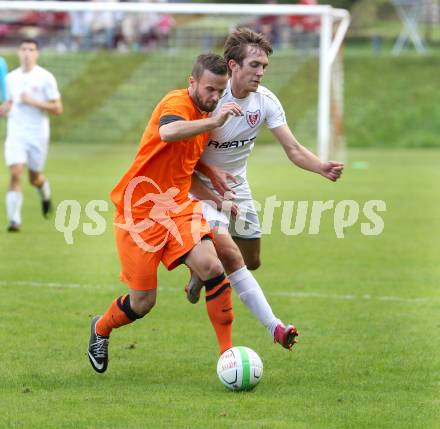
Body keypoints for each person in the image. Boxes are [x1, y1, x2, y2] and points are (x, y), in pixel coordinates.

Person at [186, 28, 344, 350]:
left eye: (264, 67)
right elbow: (182, 154)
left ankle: (200, 271)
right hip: (199, 186)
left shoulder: (265, 102)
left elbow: (294, 149)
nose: (260, 72)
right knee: (229, 256)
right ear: (233, 65)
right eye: (254, 65)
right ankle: (275, 328)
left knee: (252, 260)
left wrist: (321, 166)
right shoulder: (212, 98)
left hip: (238, 186)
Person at [87, 53, 243, 374]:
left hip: (176, 209)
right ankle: (101, 328)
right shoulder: (176, 103)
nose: (214, 97)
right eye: (209, 89)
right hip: (138, 213)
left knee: (214, 265)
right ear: (192, 82)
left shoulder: (204, 120)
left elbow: (185, 170)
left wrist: (215, 193)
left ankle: (227, 354)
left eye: (220, 91)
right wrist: (214, 122)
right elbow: (169, 133)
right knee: (143, 303)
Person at [0, 39, 63, 232]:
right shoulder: (10, 78)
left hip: (37, 134)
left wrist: (33, 101)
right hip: (16, 133)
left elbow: (57, 108)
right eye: (23, 49)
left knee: (34, 177)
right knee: (15, 172)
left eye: (31, 49)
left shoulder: (45, 78)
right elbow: (8, 103)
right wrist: (4, 108)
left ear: (37, 54)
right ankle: (14, 221)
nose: (27, 53)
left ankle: (44, 195)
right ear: (19, 53)